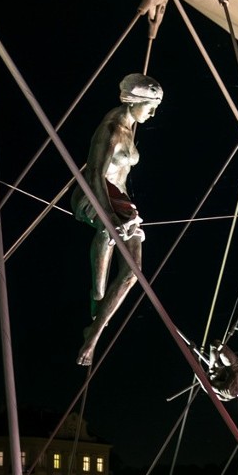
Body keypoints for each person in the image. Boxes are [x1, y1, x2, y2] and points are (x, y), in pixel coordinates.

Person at [71, 73, 163, 366]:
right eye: (150, 106)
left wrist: (121, 212)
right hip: (94, 196)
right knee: (109, 232)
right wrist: (109, 217)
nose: (153, 112)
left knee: (133, 272)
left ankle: (95, 329)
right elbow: (95, 175)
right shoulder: (111, 129)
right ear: (135, 102)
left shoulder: (131, 124)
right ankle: (97, 296)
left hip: (120, 201)